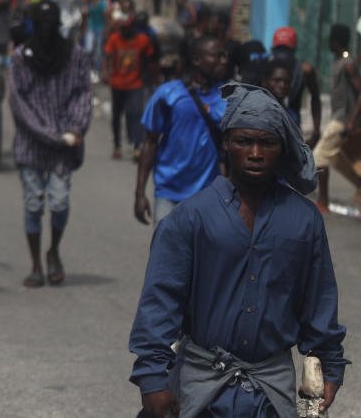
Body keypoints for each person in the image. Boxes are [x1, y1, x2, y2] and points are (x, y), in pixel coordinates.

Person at [129, 83, 347, 418]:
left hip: (270, 394)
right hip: (199, 389)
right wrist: (153, 379)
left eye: (267, 143)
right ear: (227, 143)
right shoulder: (190, 217)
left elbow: (318, 302)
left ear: (282, 147)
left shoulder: (304, 222)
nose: (256, 153)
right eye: (245, 141)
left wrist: (329, 365)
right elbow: (161, 300)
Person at [8, 1, 91, 287]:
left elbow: (83, 94)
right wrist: (48, 134)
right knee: (33, 204)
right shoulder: (21, 57)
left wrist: (75, 127)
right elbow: (19, 104)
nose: (45, 32)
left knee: (59, 202)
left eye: (50, 26)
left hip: (64, 145)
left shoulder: (75, 55)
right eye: (40, 26)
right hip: (31, 143)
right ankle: (35, 265)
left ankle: (53, 250)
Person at [135, 36, 227, 224]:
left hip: (208, 196)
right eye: (216, 56)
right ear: (196, 60)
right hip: (168, 192)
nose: (223, 61)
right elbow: (151, 142)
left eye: (224, 56)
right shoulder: (168, 94)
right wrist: (139, 193)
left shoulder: (228, 98)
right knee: (165, 250)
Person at [314, 24, 361, 213]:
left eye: (331, 39)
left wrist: (352, 120)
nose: (328, 43)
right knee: (338, 159)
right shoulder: (340, 61)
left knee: (319, 158)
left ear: (336, 40)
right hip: (339, 117)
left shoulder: (348, 63)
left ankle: (323, 203)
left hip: (342, 119)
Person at [103, 12, 154, 159]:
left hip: (135, 83)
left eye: (127, 28)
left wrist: (150, 77)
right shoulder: (114, 39)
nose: (124, 31)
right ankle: (117, 145)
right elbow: (107, 56)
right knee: (116, 115)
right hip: (117, 83)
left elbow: (149, 58)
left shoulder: (143, 40)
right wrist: (105, 73)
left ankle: (137, 145)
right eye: (122, 28)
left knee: (135, 113)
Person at [267, 27, 321, 147]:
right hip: (267, 126)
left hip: (293, 127)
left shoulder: (304, 71)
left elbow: (315, 97)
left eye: (285, 50)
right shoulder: (266, 67)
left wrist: (316, 131)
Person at [261, 58, 298, 125]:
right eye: (277, 81)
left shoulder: (291, 117)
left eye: (287, 82)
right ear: (264, 81)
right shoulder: (255, 111)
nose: (283, 86)